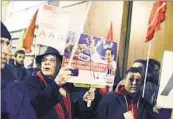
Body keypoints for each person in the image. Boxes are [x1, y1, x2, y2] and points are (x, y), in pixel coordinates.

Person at [24, 45, 99, 119]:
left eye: (52, 60)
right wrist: (56, 84)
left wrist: (84, 101)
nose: (46, 63)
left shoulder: (66, 86)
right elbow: (36, 106)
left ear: (59, 65)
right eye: (44, 60)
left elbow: (73, 112)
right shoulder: (32, 81)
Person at [1, 21, 37, 119]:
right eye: (0, 42)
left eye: (7, 44)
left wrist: (55, 86)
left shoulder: (12, 80)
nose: (5, 50)